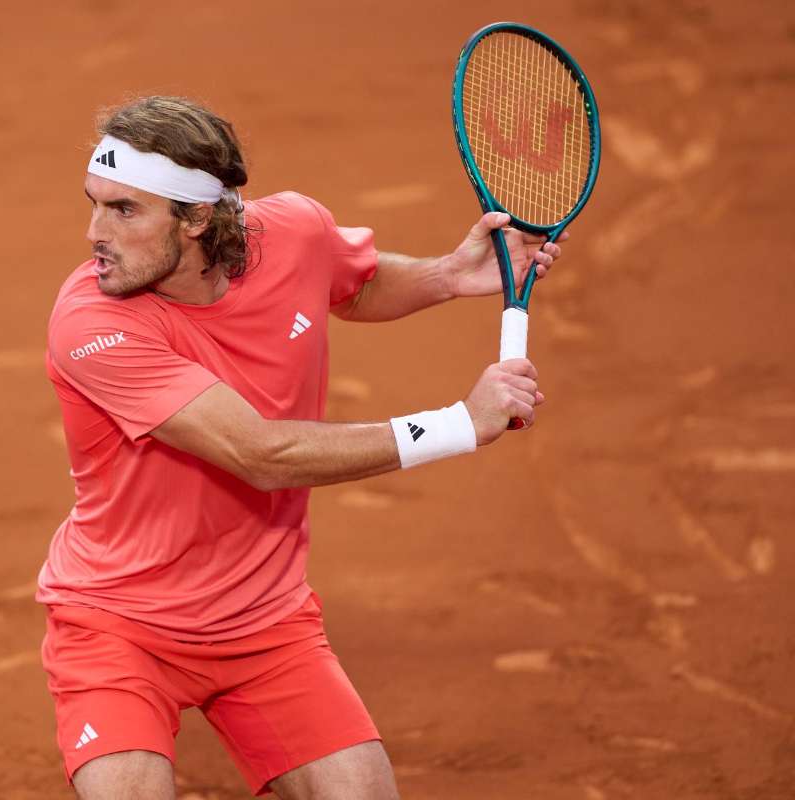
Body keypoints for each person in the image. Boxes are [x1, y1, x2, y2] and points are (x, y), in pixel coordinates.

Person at [36, 96, 560, 800]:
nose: (93, 232)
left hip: (265, 621)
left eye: (124, 210)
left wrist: (447, 276)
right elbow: (261, 454)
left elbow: (353, 282)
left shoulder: (295, 231)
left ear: (196, 219)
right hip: (118, 627)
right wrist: (460, 424)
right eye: (94, 203)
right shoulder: (91, 323)